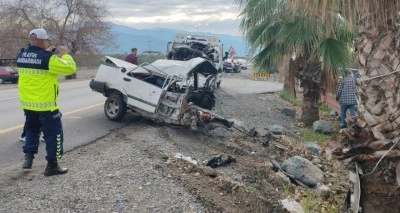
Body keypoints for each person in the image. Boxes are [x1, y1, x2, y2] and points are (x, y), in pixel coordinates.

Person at [17, 28, 76, 176]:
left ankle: (28, 159)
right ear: (44, 41)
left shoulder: (21, 55)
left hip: (28, 104)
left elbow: (36, 59)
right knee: (54, 135)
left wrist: (47, 51)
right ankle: (52, 165)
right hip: (46, 106)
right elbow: (70, 69)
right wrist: (65, 55)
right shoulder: (48, 59)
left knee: (32, 130)